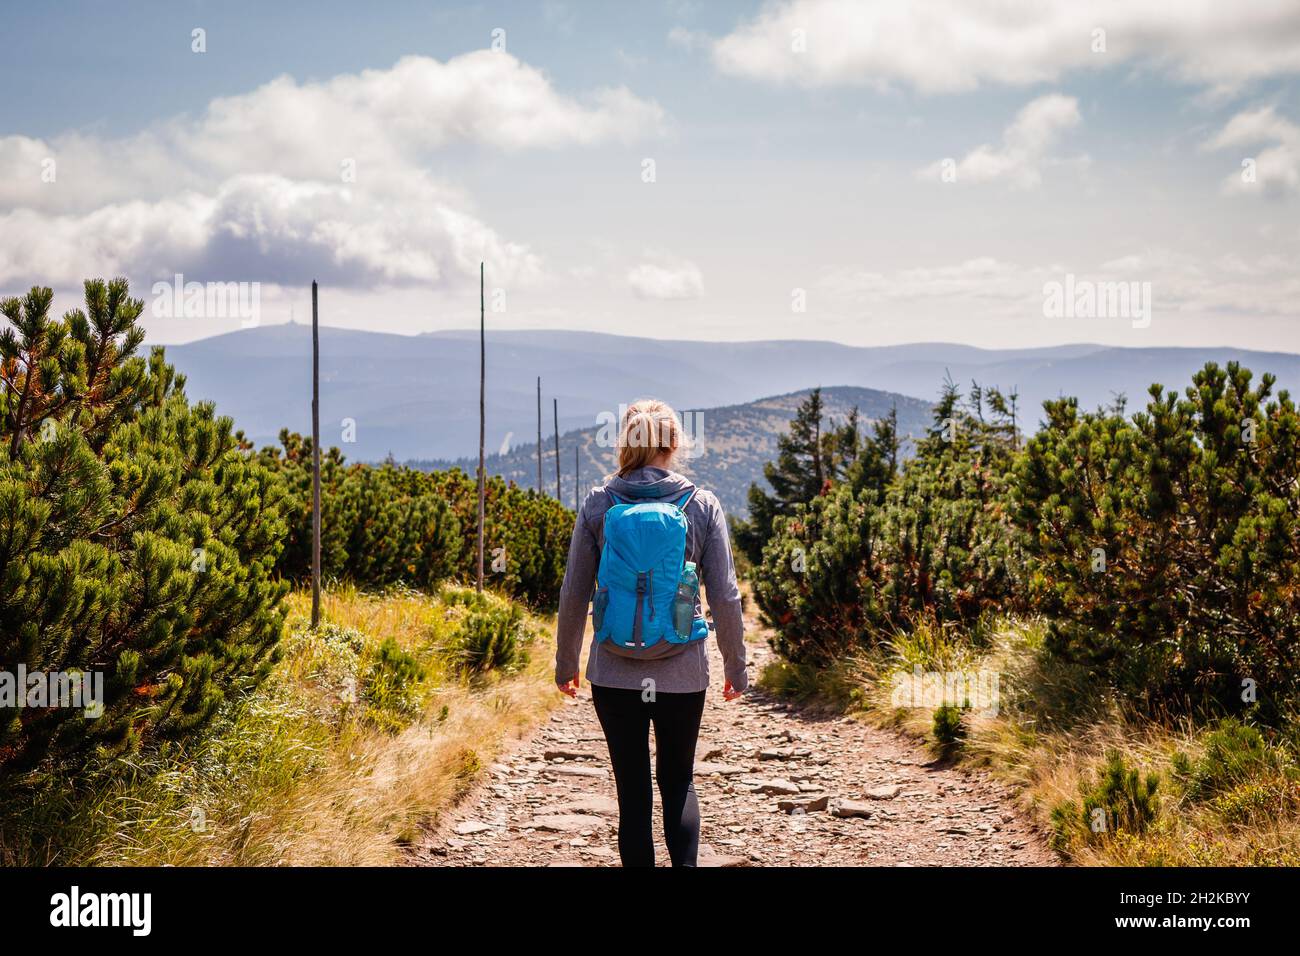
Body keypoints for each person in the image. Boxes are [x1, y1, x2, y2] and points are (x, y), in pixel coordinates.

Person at [554, 398, 748, 867]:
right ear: (674, 444)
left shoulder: (599, 503)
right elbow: (724, 594)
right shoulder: (701, 504)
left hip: (614, 671)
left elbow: (574, 591)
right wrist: (736, 666)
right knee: (678, 780)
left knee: (633, 789)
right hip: (682, 671)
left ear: (626, 443)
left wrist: (566, 664)